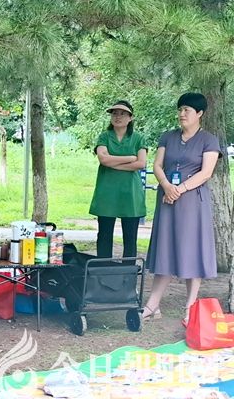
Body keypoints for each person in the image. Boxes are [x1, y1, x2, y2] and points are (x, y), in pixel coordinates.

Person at [143, 92, 221, 325]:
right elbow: (157, 165)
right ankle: (152, 305)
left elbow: (206, 173)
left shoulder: (209, 140)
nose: (182, 114)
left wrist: (181, 189)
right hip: (167, 198)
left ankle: (190, 307)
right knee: (164, 248)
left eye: (187, 110)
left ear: (199, 113)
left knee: (191, 250)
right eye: (180, 109)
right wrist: (167, 186)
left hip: (192, 202)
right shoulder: (168, 136)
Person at [89, 100, 147, 259]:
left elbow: (141, 163)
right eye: (114, 113)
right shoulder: (104, 136)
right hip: (107, 191)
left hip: (130, 192)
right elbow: (103, 159)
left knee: (130, 237)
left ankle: (128, 271)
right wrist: (130, 158)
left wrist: (113, 163)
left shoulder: (138, 138)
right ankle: (102, 269)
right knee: (104, 235)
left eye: (122, 114)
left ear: (130, 118)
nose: (118, 117)